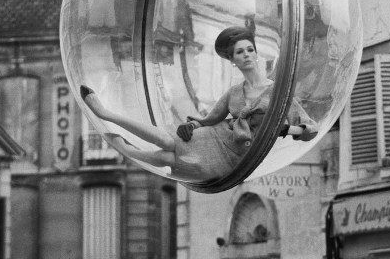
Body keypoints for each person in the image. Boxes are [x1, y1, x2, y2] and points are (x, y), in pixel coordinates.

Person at [80, 21, 316, 182]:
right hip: (216, 137)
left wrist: (286, 129)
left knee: (165, 158)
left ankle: (125, 149)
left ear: (256, 53)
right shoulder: (234, 92)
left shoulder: (278, 94)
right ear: (233, 60)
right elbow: (210, 120)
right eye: (239, 52)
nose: (246, 55)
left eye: (249, 49)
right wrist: (191, 126)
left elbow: (311, 130)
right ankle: (105, 114)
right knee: (165, 139)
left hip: (235, 157)